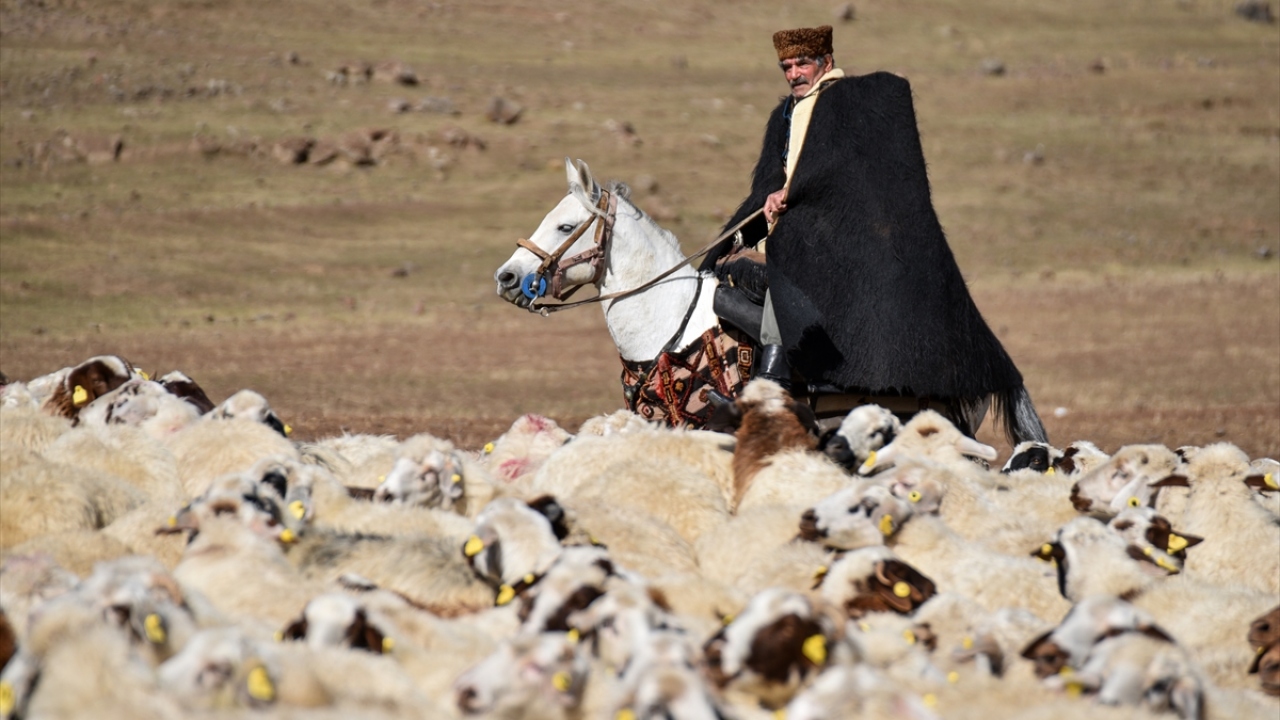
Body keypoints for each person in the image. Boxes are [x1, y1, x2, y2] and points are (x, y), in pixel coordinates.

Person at [707, 25, 1048, 444]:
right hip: (797, 227)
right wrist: (752, 220)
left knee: (786, 267)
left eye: (802, 64)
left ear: (825, 62)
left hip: (841, 236)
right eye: (787, 67)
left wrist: (794, 194)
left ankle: (772, 384)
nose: (794, 73)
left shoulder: (851, 105)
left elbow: (846, 175)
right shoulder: (785, 116)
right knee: (725, 276)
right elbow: (771, 184)